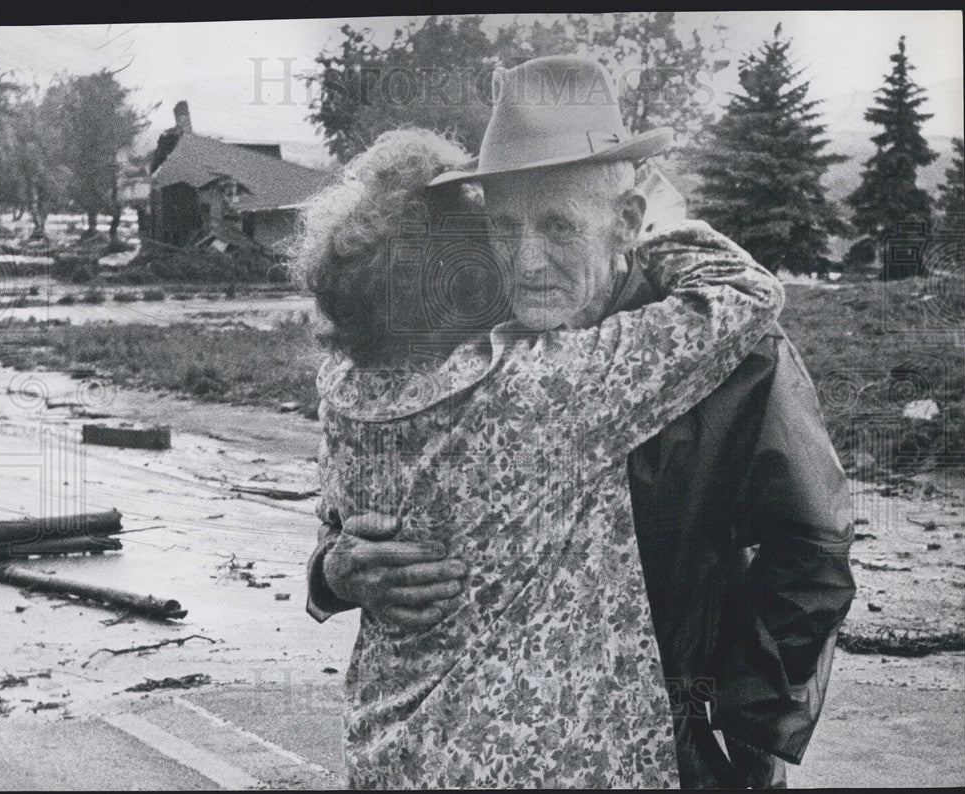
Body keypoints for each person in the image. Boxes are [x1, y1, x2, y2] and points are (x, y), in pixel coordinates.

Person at [306, 56, 857, 788]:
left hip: (681, 748)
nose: (526, 260)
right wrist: (336, 573)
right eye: (505, 225)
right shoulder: (475, 337)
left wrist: (737, 730)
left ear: (626, 221)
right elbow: (345, 518)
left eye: (559, 224)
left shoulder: (735, 354)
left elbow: (810, 551)